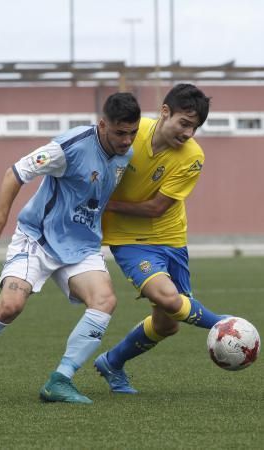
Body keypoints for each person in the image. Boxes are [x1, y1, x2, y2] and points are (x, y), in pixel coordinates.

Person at [0, 92, 141, 404]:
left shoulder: (126, 153)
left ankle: (60, 380)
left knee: (104, 301)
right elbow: (15, 172)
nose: (127, 141)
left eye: (132, 133)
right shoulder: (69, 146)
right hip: (39, 239)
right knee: (10, 306)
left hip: (82, 246)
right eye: (120, 133)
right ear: (102, 125)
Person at [94, 84, 227, 394]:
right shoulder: (130, 135)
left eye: (195, 127)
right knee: (169, 298)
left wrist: (107, 203)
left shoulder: (193, 157)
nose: (189, 133)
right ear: (165, 112)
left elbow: (156, 208)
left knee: (168, 323)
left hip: (172, 238)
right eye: (184, 123)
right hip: (130, 241)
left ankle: (112, 362)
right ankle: (224, 324)